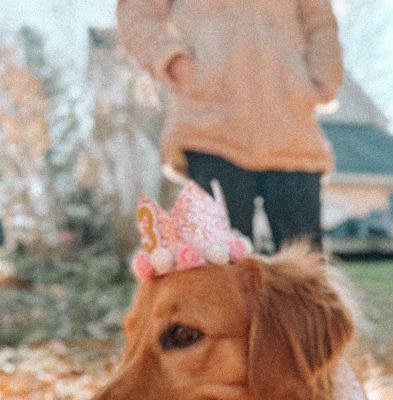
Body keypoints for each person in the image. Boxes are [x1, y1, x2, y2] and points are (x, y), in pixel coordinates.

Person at [116, 0, 343, 250]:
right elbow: (137, 11)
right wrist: (175, 62)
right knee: (220, 266)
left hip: (291, 129)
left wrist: (325, 75)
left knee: (306, 270)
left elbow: (320, 21)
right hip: (210, 127)